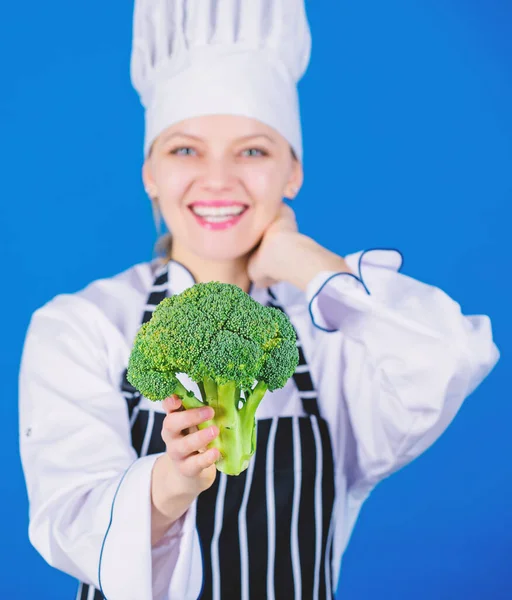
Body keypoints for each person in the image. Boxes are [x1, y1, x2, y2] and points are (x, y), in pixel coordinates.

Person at [18, 1, 500, 599]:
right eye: (185, 149)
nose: (218, 179)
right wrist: (170, 483)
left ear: (292, 172)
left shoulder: (330, 337)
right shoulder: (84, 325)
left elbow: (451, 355)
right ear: (149, 172)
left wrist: (306, 263)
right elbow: (69, 522)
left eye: (253, 151)